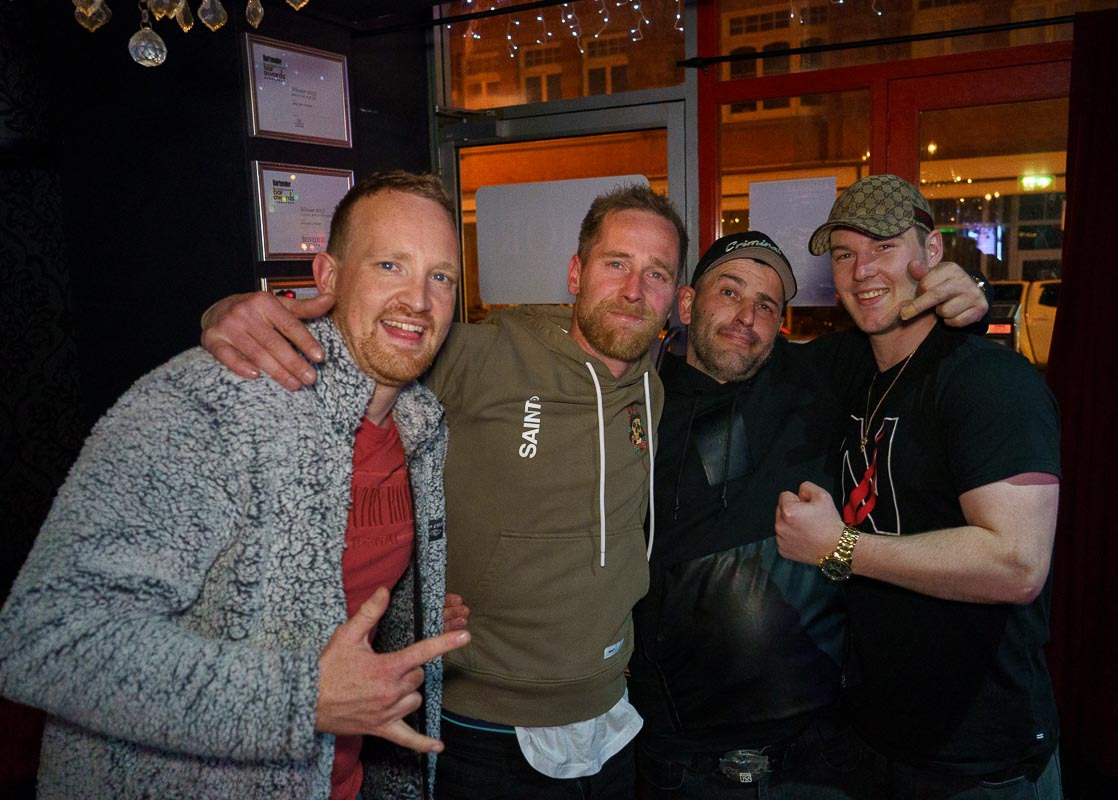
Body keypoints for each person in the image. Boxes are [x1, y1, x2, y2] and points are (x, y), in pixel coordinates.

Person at [200, 183, 688, 799]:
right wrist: (228, 312)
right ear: (575, 273)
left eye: (656, 273)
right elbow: (361, 342)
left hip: (610, 709)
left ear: (675, 297)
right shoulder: (487, 354)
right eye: (616, 263)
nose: (634, 290)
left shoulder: (653, 389)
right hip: (485, 720)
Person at [0, 171, 472, 800]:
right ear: (328, 276)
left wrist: (413, 613)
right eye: (390, 265)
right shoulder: (215, 400)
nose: (418, 300)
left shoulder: (420, 424)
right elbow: (43, 640)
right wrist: (302, 699)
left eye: (441, 277)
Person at [630, 230, 989, 799]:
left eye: (767, 305)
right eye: (729, 292)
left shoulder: (820, 375)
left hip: (819, 753)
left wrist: (970, 294)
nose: (746, 317)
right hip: (681, 756)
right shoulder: (636, 406)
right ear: (688, 303)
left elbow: (909, 334)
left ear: (780, 324)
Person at [774, 174, 1062, 799]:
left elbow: (1017, 564)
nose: (862, 271)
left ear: (931, 252)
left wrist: (838, 548)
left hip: (977, 757)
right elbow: (748, 357)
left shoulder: (989, 382)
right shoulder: (851, 366)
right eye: (845, 253)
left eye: (883, 246)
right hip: (871, 737)